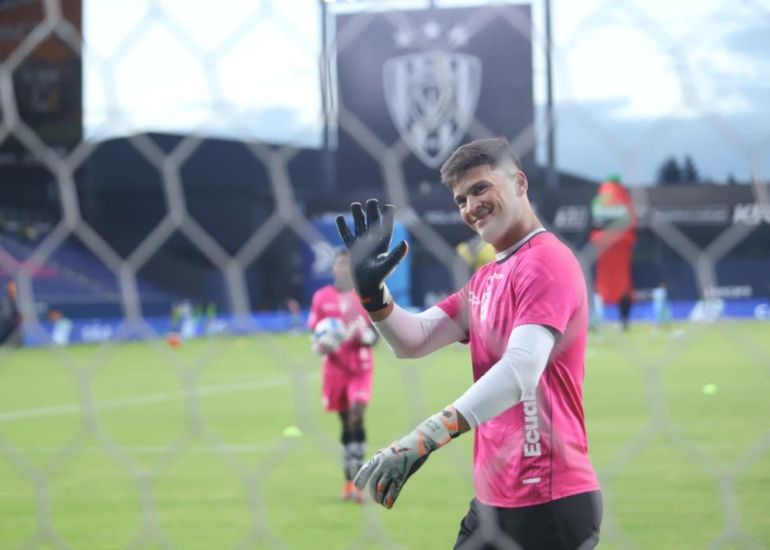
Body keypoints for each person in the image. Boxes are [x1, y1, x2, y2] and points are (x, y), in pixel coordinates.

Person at [336, 137, 602, 549]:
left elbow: (520, 371)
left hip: (547, 500)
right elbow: (414, 339)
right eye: (461, 199)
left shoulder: (547, 261)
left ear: (518, 183)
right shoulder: (486, 278)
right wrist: (374, 296)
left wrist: (425, 437)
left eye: (480, 188)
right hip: (494, 501)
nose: (470, 206)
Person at [307, 248, 379, 503]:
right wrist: (321, 345)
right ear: (334, 268)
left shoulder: (366, 296)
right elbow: (315, 337)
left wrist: (365, 336)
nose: (343, 268)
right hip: (335, 368)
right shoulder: (321, 298)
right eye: (340, 264)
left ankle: (359, 481)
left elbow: (376, 336)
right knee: (345, 422)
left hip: (360, 366)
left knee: (356, 415)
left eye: (348, 264)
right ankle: (349, 482)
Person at [0, 280, 21, 346]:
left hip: (14, 333)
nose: (12, 289)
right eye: (10, 288)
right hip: (5, 330)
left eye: (14, 287)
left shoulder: (22, 301)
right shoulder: (4, 303)